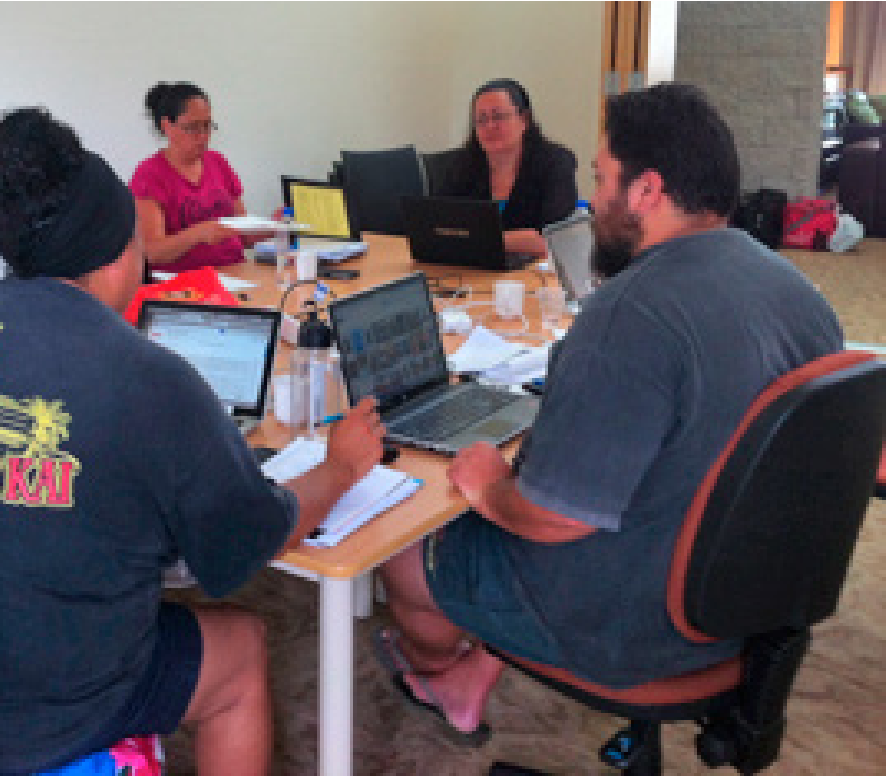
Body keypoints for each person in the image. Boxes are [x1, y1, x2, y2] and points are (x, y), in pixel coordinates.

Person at [0, 106, 385, 774]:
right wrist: (338, 468)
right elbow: (248, 542)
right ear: (115, 256)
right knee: (242, 646)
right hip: (40, 707)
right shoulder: (147, 373)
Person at [373, 83, 843, 741]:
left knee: (406, 539)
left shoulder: (628, 313)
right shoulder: (797, 290)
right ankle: (468, 677)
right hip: (747, 608)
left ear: (646, 192)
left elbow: (553, 517)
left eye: (602, 183)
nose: (592, 206)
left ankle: (441, 672)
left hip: (633, 621)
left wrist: (490, 489)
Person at [428, 78, 579, 263]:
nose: (490, 126)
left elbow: (551, 238)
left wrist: (474, 238)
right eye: (481, 120)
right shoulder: (462, 165)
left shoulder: (555, 163)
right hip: (473, 269)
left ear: (524, 120)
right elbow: (437, 227)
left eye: (498, 116)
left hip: (534, 274)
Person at [131, 82, 266, 273]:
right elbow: (152, 252)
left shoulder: (218, 163)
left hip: (234, 273)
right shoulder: (149, 175)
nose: (203, 136)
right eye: (192, 127)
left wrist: (275, 227)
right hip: (184, 286)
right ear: (167, 126)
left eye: (207, 126)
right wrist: (199, 234)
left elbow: (243, 234)